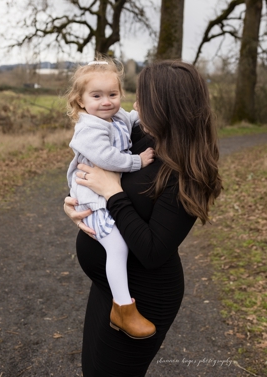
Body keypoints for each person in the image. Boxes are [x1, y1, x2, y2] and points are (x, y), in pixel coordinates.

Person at [65, 59, 222, 376]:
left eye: (143, 100)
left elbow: (151, 250)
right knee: (92, 369)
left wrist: (112, 193)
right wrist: (75, 203)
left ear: (166, 108)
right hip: (109, 286)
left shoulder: (187, 173)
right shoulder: (147, 140)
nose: (133, 105)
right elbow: (98, 163)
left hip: (145, 297)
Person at [63, 59, 157, 339]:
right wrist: (136, 162)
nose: (106, 102)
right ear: (80, 101)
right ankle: (123, 309)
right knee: (117, 247)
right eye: (97, 95)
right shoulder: (90, 127)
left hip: (103, 194)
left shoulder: (116, 117)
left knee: (121, 243)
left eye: (112, 95)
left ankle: (122, 305)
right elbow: (106, 157)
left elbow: (133, 119)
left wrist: (148, 114)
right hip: (93, 198)